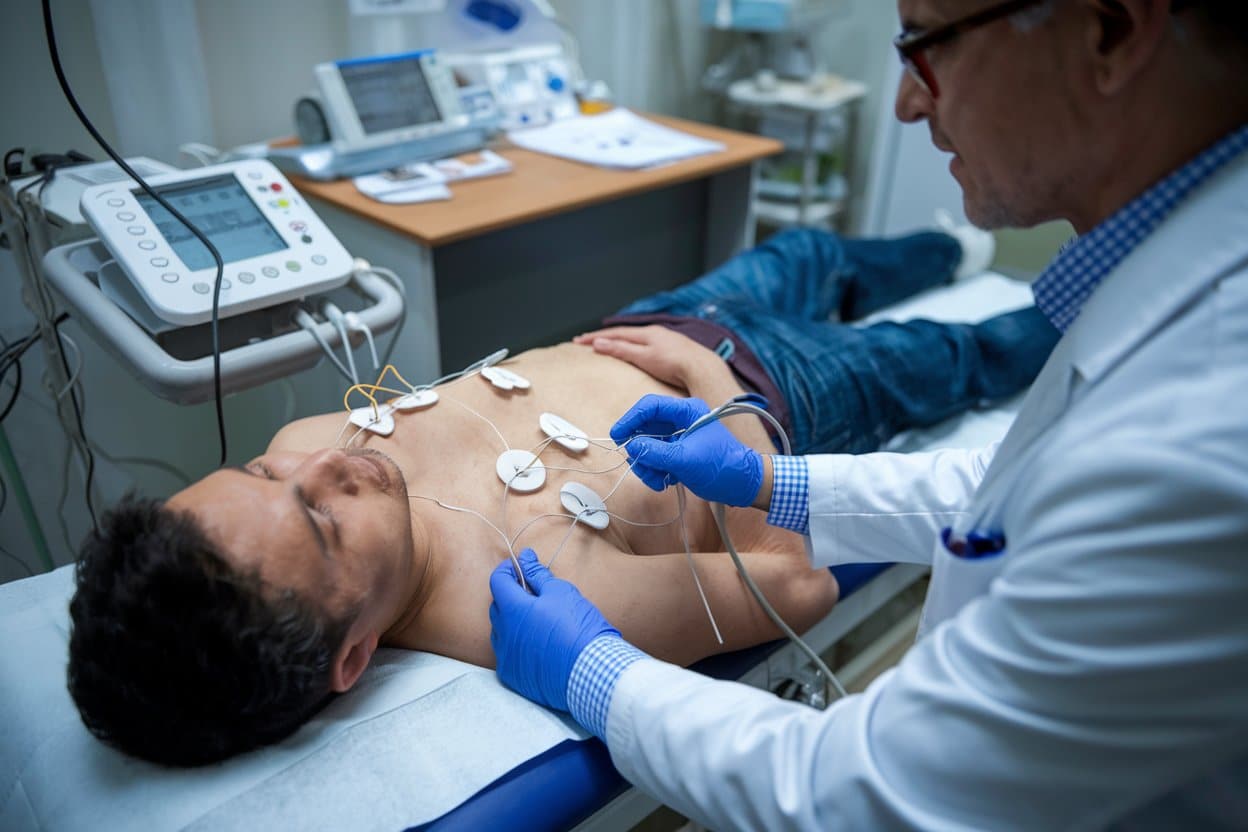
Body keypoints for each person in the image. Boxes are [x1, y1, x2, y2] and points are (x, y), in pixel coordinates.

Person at [488, 1, 1248, 829]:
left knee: (935, 345)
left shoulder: (1204, 430)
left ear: (1108, 28)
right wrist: (770, 482)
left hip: (762, 382)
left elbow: (867, 796)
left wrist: (596, 676)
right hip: (712, 361)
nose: (906, 104)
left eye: (926, 49)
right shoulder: (1177, 307)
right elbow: (1018, 494)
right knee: (810, 262)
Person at [67, 227, 1055, 767]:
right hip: (780, 391)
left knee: (812, 252)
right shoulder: (526, 595)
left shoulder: (304, 445)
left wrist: (673, 341)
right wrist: (722, 396)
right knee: (965, 353)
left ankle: (948, 248)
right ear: (352, 656)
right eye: (322, 522)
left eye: (260, 473)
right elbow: (795, 585)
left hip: (644, 324)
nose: (328, 467)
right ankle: (1032, 296)